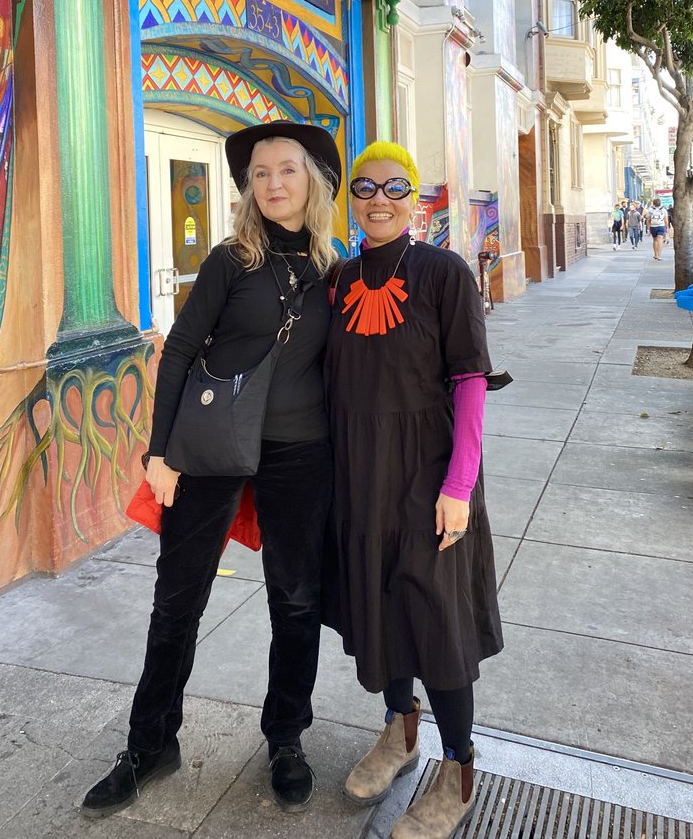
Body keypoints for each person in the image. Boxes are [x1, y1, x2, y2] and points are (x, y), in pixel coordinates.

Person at [81, 120, 341, 819]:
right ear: (247, 187)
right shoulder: (232, 260)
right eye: (260, 174)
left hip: (300, 453)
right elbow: (178, 352)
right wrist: (158, 454)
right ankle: (149, 743)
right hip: (211, 450)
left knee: (295, 602)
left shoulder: (331, 268)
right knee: (178, 602)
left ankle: (286, 738)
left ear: (312, 181)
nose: (274, 183)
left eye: (287, 170)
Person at [325, 141, 502, 839]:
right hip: (358, 477)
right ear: (350, 199)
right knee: (378, 609)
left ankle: (458, 770)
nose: (379, 198)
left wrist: (459, 483)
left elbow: (469, 382)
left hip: (431, 479)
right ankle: (400, 737)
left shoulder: (444, 273)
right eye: (364, 187)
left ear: (414, 198)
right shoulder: (336, 282)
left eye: (395, 186)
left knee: (438, 625)